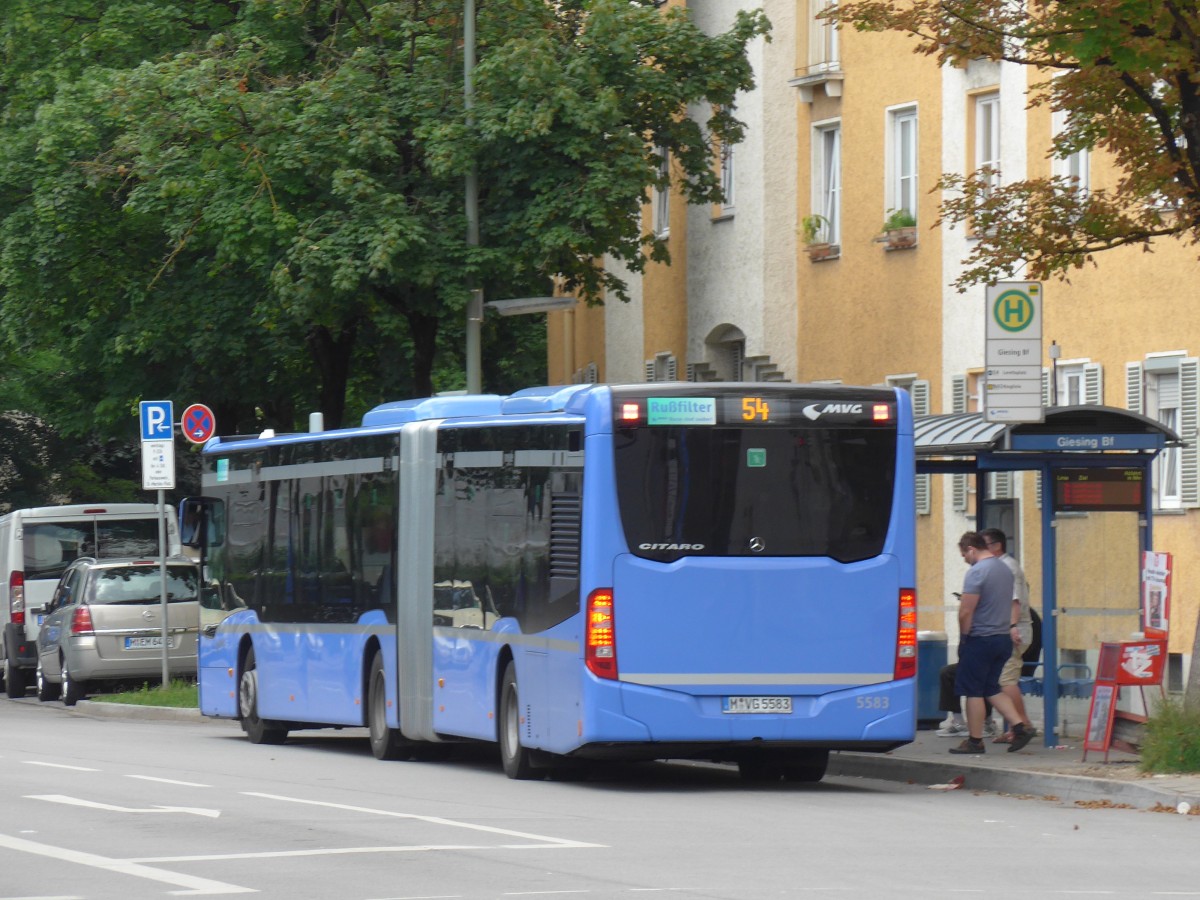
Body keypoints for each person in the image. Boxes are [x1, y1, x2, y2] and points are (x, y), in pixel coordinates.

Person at [949, 531, 1035, 754]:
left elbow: (966, 610)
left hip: (981, 638)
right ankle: (1020, 727)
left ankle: (974, 741)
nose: (964, 560)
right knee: (991, 688)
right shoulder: (1004, 569)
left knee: (973, 691)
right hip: (1002, 638)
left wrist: (964, 638)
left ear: (971, 549)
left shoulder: (977, 572)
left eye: (963, 555)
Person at [981, 528, 1038, 744]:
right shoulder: (1002, 566)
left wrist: (1012, 626)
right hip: (1008, 629)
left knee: (1005, 680)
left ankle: (1024, 725)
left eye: (983, 545)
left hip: (1013, 631)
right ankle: (1015, 728)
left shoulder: (1006, 568)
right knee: (1000, 680)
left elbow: (1014, 601)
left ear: (996, 546)